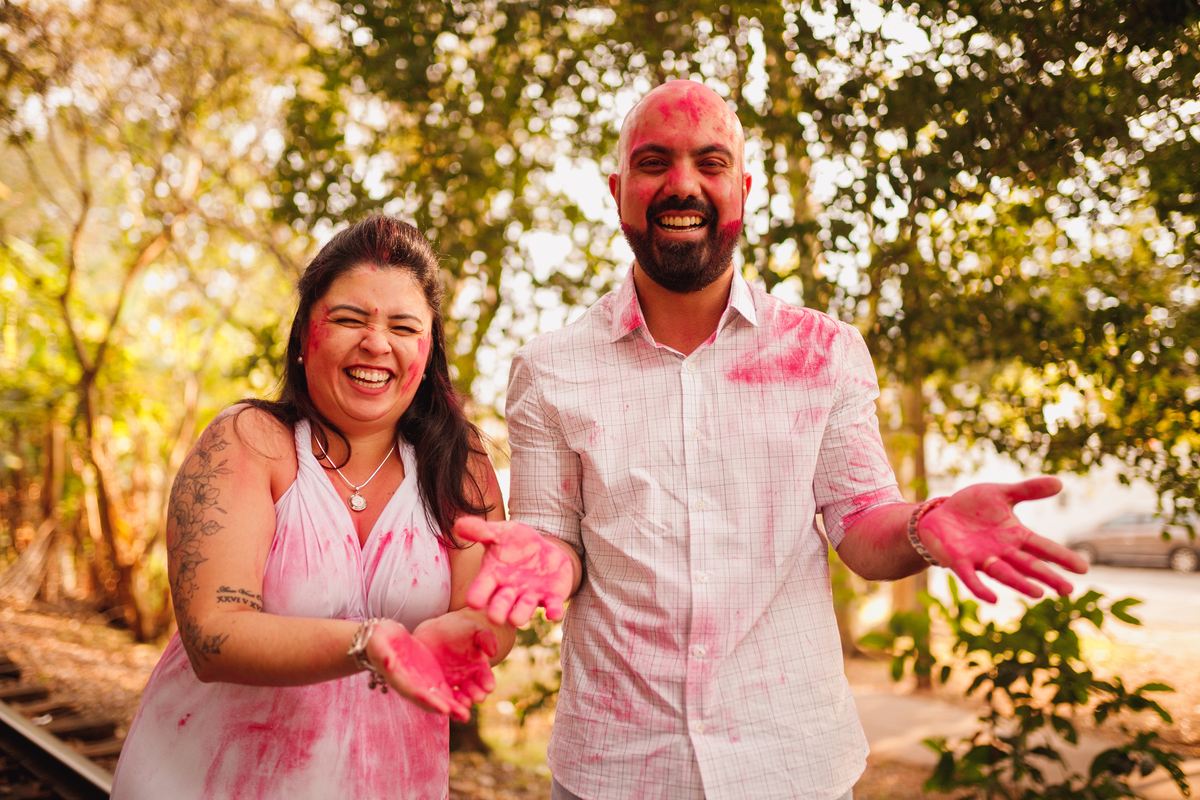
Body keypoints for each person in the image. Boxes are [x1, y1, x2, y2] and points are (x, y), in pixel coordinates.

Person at [454, 80, 1089, 800]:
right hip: (613, 770)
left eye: (711, 162)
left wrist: (923, 525)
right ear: (618, 189)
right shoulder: (549, 369)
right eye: (654, 162)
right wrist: (544, 557)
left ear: (744, 189)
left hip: (792, 767)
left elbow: (861, 525)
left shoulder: (825, 352)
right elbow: (554, 543)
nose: (683, 184)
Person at [112, 215, 514, 800]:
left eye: (404, 326)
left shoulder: (461, 464)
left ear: (428, 352)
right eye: (350, 319)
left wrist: (474, 629)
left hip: (389, 782)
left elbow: (487, 623)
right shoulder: (248, 441)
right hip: (212, 780)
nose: (376, 343)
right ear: (304, 336)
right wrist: (370, 643)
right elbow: (212, 637)